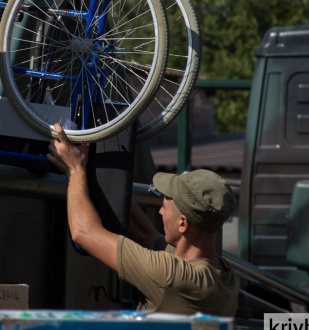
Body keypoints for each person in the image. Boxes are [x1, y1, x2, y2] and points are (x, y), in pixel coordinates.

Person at [47, 123, 239, 316]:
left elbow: (85, 233)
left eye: (164, 208)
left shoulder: (172, 277)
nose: (160, 213)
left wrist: (74, 170)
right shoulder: (225, 276)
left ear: (183, 223)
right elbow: (143, 232)